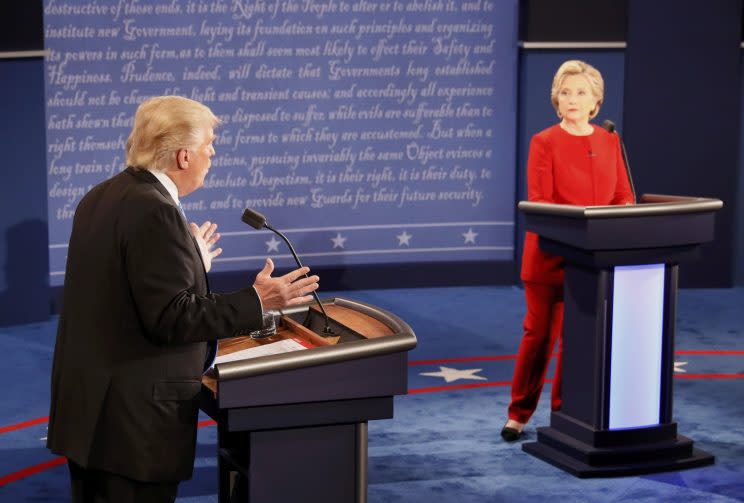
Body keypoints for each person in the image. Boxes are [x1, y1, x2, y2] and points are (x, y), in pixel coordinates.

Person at [47, 95, 320, 502]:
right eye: (209, 144)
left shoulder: (102, 196)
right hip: (132, 426)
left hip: (94, 413)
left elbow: (123, 288)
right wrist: (259, 299)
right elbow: (173, 318)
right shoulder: (155, 212)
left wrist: (193, 261)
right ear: (183, 156)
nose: (213, 153)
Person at [501, 60, 635, 441]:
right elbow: (540, 201)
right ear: (556, 100)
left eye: (581, 92)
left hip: (596, 261)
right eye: (565, 92)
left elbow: (623, 196)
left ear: (596, 101)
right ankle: (519, 414)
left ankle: (565, 415)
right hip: (550, 257)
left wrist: (623, 214)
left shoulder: (610, 141)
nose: (572, 99)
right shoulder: (544, 142)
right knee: (540, 336)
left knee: (580, 341)